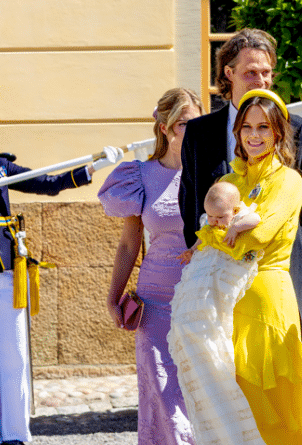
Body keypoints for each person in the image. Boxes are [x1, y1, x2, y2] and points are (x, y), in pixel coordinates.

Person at [0, 68, 123, 445]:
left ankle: (15, 435)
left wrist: (92, 167)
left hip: (9, 270)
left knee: (14, 356)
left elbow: (46, 182)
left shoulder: (0, 167)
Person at [196, 88, 302, 443]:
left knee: (287, 401)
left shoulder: (289, 179)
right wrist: (223, 233)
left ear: (278, 132)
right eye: (247, 127)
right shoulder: (229, 181)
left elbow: (257, 237)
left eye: (263, 127)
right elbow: (205, 233)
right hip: (229, 302)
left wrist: (219, 233)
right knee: (241, 401)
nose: (254, 135)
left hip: (267, 299)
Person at [179, 29, 302, 341]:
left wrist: (300, 268)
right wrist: (205, 259)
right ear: (228, 73)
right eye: (251, 72)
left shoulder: (297, 129)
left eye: (266, 72)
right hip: (219, 276)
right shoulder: (199, 132)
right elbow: (190, 202)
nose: (261, 80)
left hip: (279, 277)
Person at [97, 87, 203, 445]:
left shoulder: (211, 175)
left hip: (200, 303)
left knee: (196, 399)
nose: (190, 130)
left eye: (196, 123)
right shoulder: (139, 175)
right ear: (164, 128)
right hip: (154, 303)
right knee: (163, 400)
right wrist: (113, 298)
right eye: (184, 123)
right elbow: (129, 244)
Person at [168, 180, 265, 444]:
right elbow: (203, 238)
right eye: (210, 216)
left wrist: (236, 227)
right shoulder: (209, 224)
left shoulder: (242, 217)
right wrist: (191, 251)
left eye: (220, 217)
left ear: (235, 209)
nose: (214, 222)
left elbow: (257, 219)